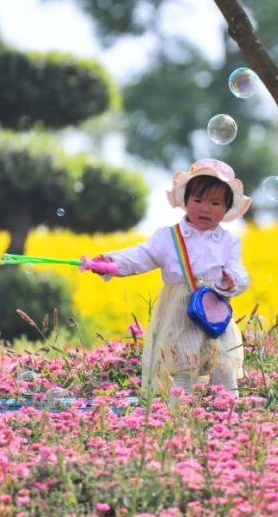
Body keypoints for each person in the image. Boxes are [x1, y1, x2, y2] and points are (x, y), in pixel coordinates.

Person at [95, 158, 251, 396]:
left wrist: (233, 280)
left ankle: (228, 411)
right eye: (197, 200)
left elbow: (238, 269)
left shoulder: (230, 241)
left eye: (216, 202)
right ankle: (178, 417)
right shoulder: (169, 236)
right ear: (185, 201)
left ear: (227, 208)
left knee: (224, 362)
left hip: (215, 311)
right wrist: (112, 263)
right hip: (180, 314)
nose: (205, 208)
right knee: (182, 366)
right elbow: (142, 255)